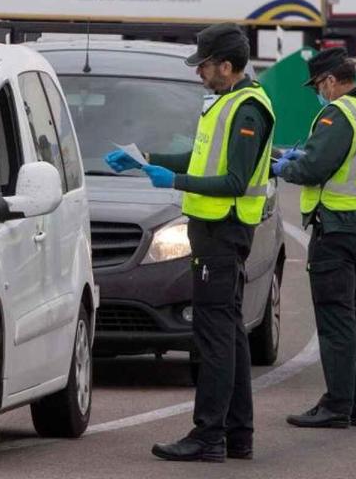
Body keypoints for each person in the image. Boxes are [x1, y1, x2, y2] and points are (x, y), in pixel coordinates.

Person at [106, 23, 275, 462]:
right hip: (215, 233)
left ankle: (208, 436)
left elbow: (235, 180)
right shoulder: (226, 103)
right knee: (229, 336)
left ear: (226, 65)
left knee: (214, 338)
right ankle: (237, 436)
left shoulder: (247, 110)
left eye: (203, 65)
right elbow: (203, 158)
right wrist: (147, 161)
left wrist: (174, 181)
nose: (198, 73)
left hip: (223, 233)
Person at [273, 48, 356, 428]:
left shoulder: (337, 114)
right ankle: (355, 405)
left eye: (318, 87)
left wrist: (285, 167)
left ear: (329, 81)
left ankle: (336, 405)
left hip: (335, 229)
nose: (318, 94)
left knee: (336, 320)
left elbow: (314, 168)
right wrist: (302, 157)